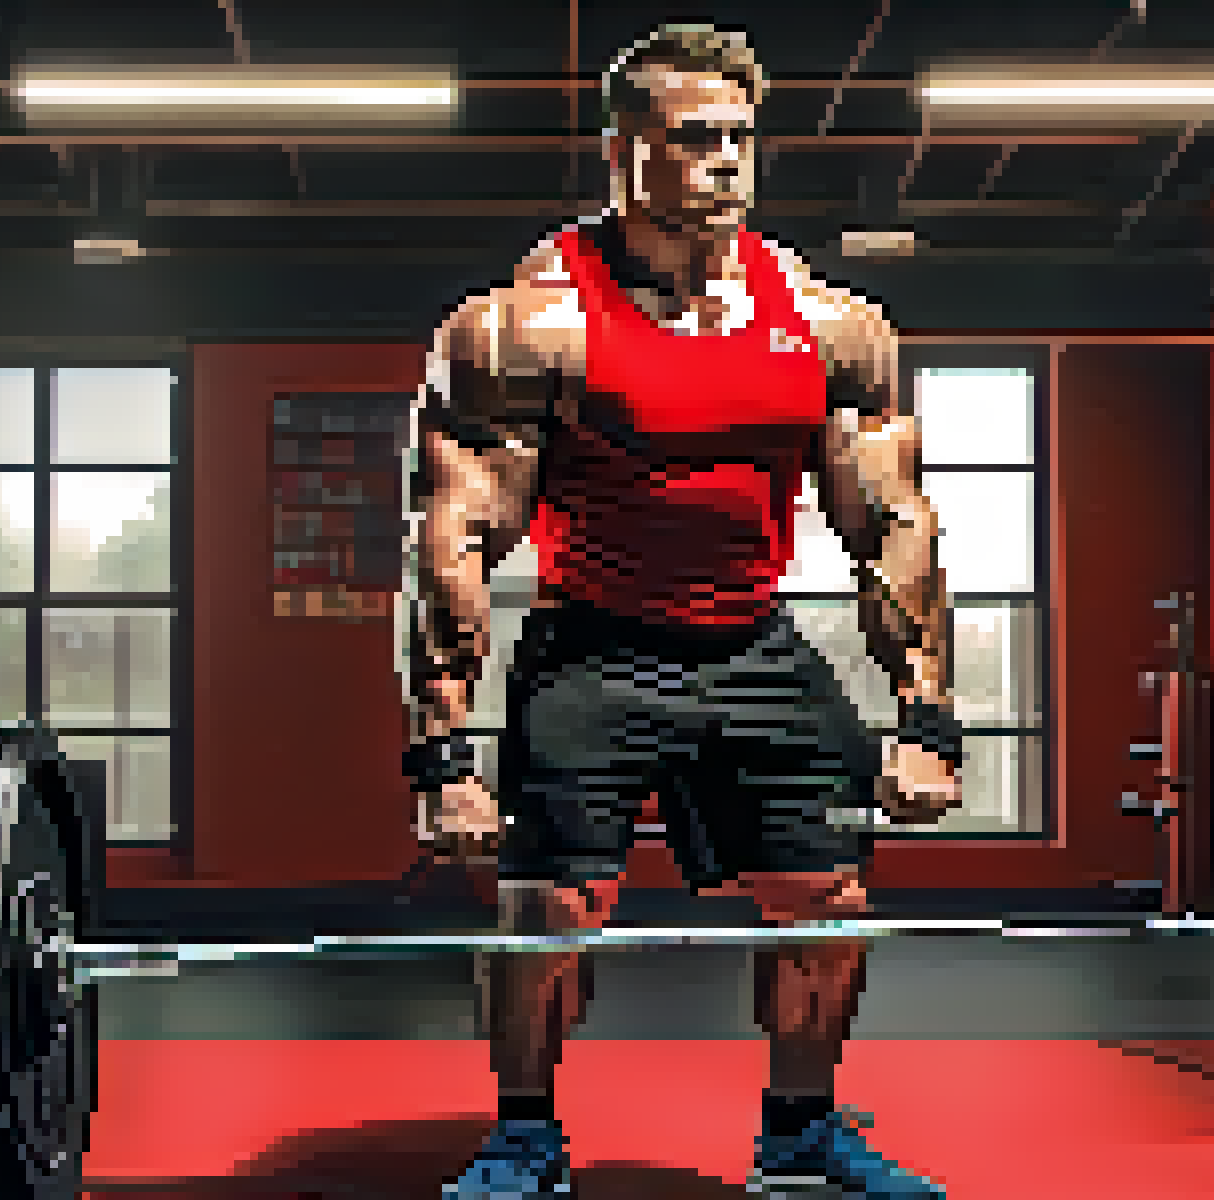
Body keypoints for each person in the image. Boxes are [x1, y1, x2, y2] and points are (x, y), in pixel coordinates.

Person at [398, 23, 962, 1199]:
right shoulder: (525, 326)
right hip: (592, 642)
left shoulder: (828, 322)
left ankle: (801, 1127)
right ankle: (524, 1133)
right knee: (548, 902)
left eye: (740, 139)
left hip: (752, 638)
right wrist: (442, 752)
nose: (725, 162)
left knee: (829, 894)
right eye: (694, 139)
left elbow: (892, 523)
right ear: (623, 154)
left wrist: (927, 717)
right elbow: (455, 534)